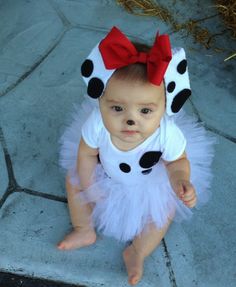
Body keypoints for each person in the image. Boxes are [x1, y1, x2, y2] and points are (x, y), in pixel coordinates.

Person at [57, 26, 215, 285]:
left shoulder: (167, 133)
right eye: (117, 107)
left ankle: (138, 250)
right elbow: (86, 155)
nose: (130, 120)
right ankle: (84, 229)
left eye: (145, 111)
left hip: (147, 182)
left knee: (165, 211)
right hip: (105, 173)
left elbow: (177, 161)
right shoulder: (97, 124)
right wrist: (89, 186)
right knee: (73, 182)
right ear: (101, 102)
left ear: (163, 107)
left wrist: (180, 181)